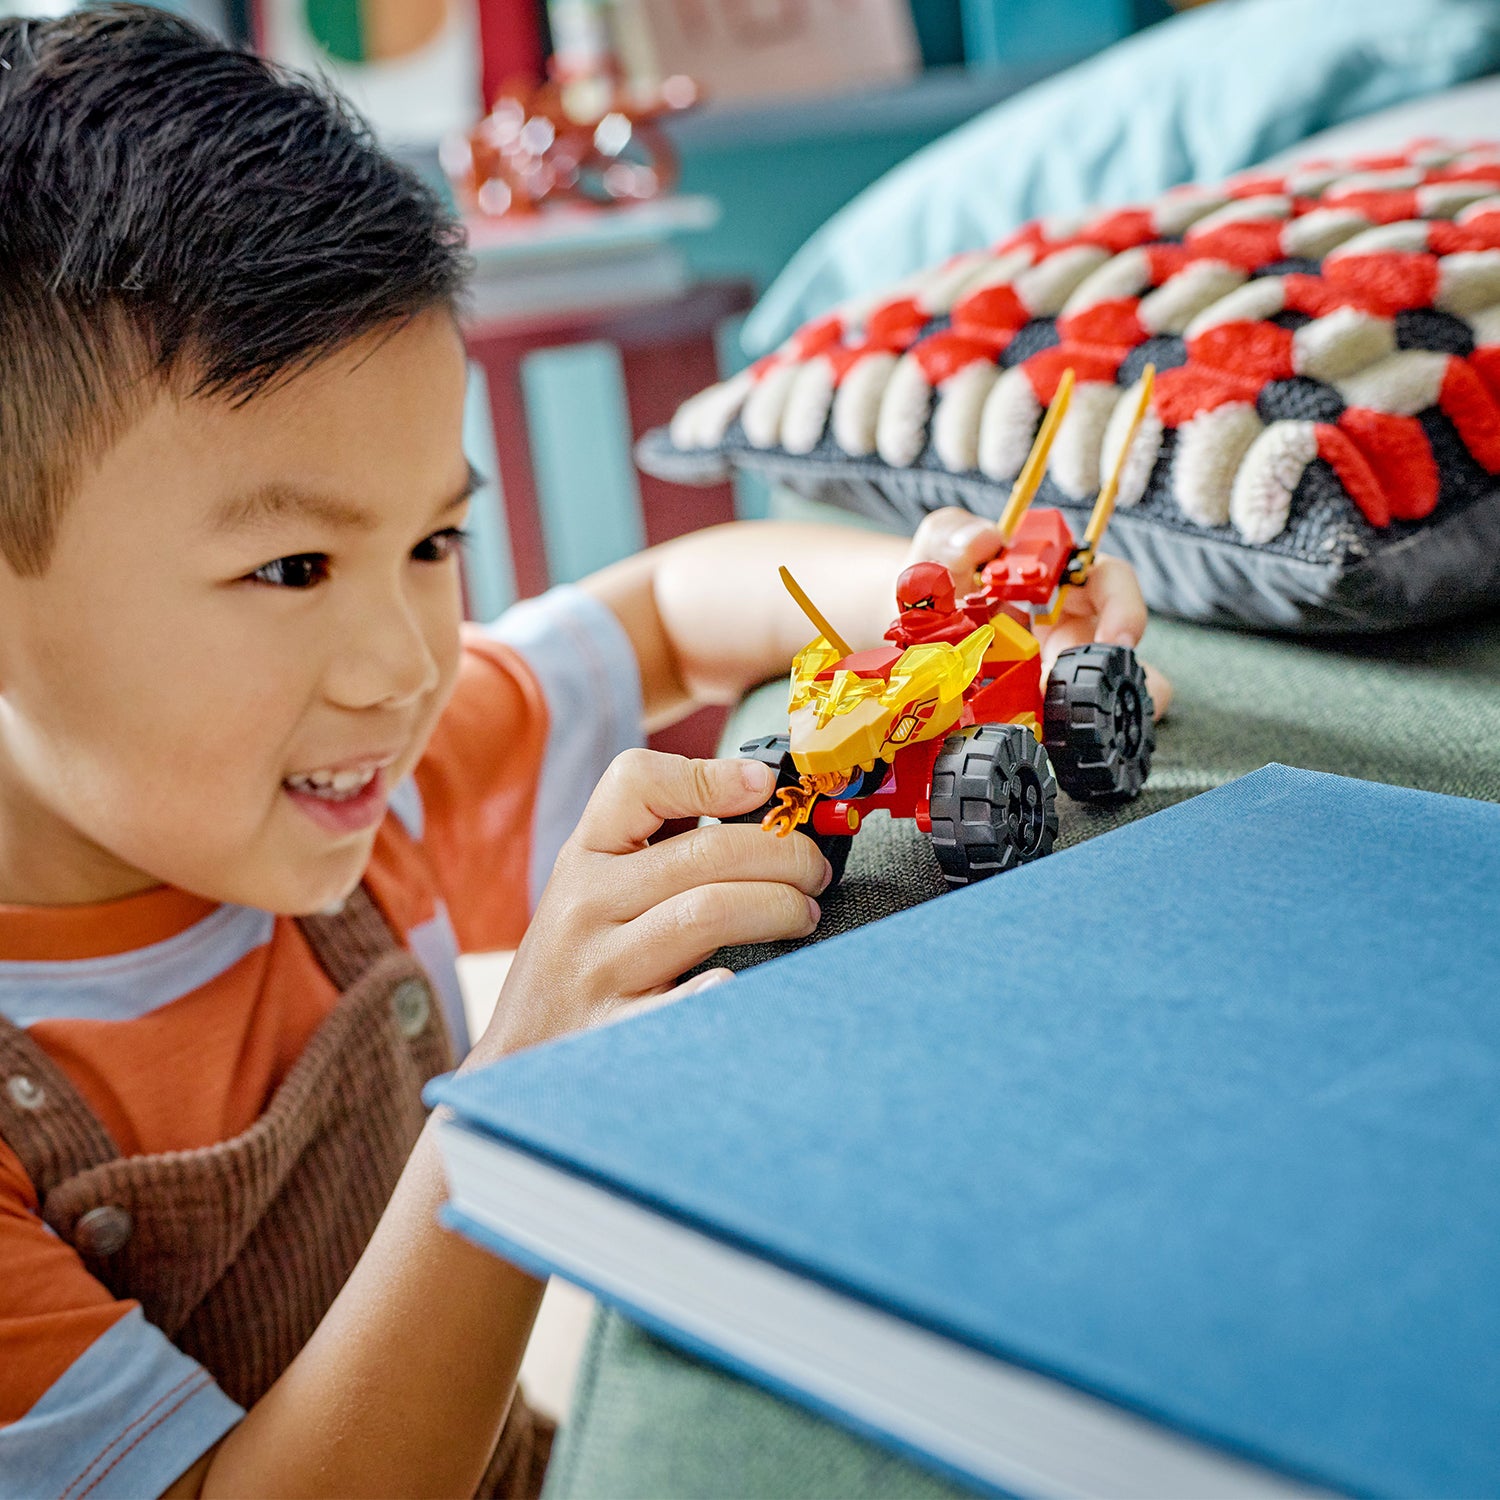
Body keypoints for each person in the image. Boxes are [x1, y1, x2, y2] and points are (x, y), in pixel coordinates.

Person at [0, 7, 1166, 1496]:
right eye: (292, 568)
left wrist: (937, 600)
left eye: (433, 542)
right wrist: (517, 1098)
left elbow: (673, 612)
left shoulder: (353, 772)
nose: (405, 666)